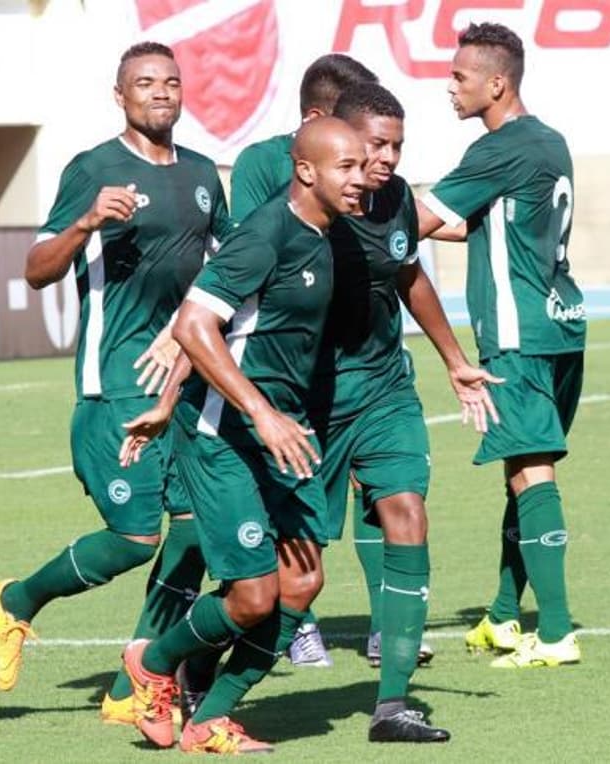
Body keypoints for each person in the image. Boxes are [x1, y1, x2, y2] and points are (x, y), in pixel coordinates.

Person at [0, 43, 232, 716]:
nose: (161, 92)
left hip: (182, 384)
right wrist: (87, 220)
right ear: (119, 96)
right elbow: (36, 270)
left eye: (171, 82)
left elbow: (225, 275)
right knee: (134, 537)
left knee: (192, 533)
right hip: (111, 386)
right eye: (145, 83)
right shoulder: (93, 169)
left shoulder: (205, 175)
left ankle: (134, 684)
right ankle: (19, 599)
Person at [118, 117, 367, 754]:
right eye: (346, 166)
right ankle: (153, 664)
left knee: (302, 585)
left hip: (287, 432)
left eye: (362, 165)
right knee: (254, 596)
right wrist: (253, 410)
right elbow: (195, 325)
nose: (360, 178)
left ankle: (209, 718)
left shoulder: (332, 235)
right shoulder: (265, 234)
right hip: (225, 434)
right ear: (306, 170)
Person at [314, 81, 497, 741]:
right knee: (290, 579)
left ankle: (393, 705)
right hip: (312, 401)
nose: (388, 157)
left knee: (407, 515)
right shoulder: (302, 210)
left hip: (386, 388)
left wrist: (454, 358)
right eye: (375, 144)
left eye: (397, 144)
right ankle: (176, 664)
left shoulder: (395, 198)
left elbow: (407, 273)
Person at [419, 22, 587, 668]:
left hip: (517, 333)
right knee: (525, 471)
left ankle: (556, 633)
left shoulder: (499, 149)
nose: (450, 86)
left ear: (497, 82)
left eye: (459, 76)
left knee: (530, 471)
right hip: (562, 321)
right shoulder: (550, 141)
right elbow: (496, 228)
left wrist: (353, 214)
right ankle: (501, 614)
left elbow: (426, 219)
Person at [230, 53, 378, 668]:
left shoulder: (370, 167)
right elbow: (235, 275)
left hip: (354, 362)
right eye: (349, 154)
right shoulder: (261, 170)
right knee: (268, 507)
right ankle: (293, 625)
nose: (364, 167)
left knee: (379, 485)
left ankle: (384, 619)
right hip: (274, 371)